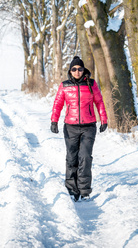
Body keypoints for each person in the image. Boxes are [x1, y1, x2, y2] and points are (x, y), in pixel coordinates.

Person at [50, 56, 108, 202]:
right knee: (72, 158)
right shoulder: (65, 86)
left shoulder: (91, 84)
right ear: (70, 71)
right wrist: (54, 121)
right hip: (70, 127)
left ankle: (84, 190)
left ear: (84, 70)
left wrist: (104, 119)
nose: (77, 72)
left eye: (80, 69)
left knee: (85, 157)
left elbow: (99, 102)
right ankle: (72, 189)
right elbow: (58, 104)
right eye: (74, 69)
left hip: (89, 126)